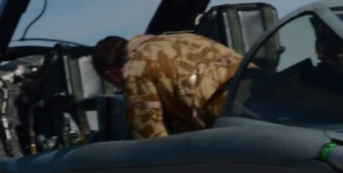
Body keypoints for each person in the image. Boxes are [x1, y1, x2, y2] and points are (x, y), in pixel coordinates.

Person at [92, 33, 244, 140]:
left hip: (234, 115)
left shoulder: (134, 70)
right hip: (257, 89)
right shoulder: (179, 38)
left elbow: (153, 145)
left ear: (112, 74)